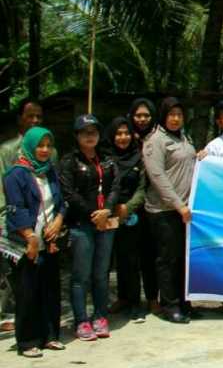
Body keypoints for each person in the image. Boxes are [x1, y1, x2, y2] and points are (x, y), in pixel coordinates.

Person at [2, 127, 65, 357]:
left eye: (49, 145)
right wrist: (30, 238)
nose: (45, 150)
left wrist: (58, 221)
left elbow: (60, 202)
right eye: (40, 145)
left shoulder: (50, 171)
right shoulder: (15, 175)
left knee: (49, 289)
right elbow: (16, 209)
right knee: (27, 291)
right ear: (29, 146)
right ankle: (27, 341)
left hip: (50, 240)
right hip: (24, 241)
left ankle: (50, 335)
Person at [58, 114, 117, 341]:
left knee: (101, 274)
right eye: (85, 132)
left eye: (93, 131)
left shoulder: (107, 159)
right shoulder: (69, 161)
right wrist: (93, 214)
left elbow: (114, 187)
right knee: (80, 276)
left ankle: (100, 316)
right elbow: (69, 192)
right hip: (82, 224)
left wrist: (107, 210)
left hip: (106, 223)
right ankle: (81, 320)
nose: (89, 136)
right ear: (77, 135)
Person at [143, 97, 196, 324]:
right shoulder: (155, 140)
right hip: (164, 210)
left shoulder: (184, 137)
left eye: (179, 114)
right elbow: (157, 177)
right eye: (171, 114)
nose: (175, 119)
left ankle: (185, 302)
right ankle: (170, 305)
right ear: (163, 116)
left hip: (186, 210)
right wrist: (178, 205)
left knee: (184, 258)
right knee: (168, 259)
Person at [0, 98, 46, 334]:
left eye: (39, 116)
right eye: (30, 116)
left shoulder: (49, 151)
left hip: (42, 225)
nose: (35, 120)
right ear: (20, 119)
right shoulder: (8, 150)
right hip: (14, 225)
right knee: (14, 279)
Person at [103, 117, 148, 324]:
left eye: (126, 133)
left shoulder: (139, 158)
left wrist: (127, 208)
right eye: (118, 134)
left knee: (131, 260)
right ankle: (119, 299)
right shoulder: (104, 158)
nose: (123, 138)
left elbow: (142, 188)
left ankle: (135, 303)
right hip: (106, 215)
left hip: (131, 215)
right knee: (109, 260)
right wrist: (109, 210)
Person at [121, 97, 159, 317]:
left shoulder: (158, 137)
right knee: (127, 256)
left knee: (149, 254)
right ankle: (127, 298)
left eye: (146, 115)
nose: (142, 119)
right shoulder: (124, 138)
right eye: (138, 115)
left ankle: (153, 298)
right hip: (127, 207)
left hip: (154, 204)